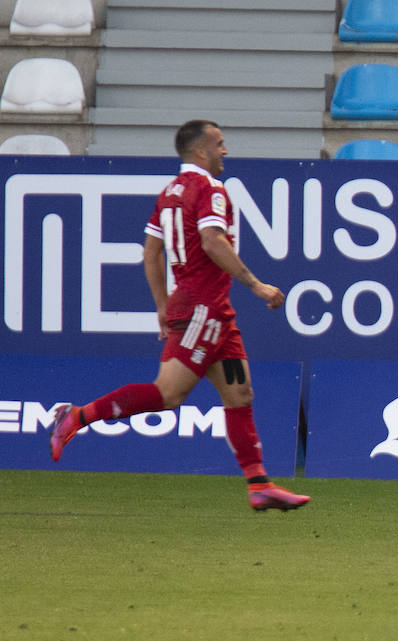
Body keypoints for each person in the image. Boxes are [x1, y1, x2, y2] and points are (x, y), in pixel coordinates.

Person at [48, 120, 310, 512]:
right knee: (168, 394)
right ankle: (77, 416)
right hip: (203, 307)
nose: (226, 151)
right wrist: (255, 285)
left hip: (211, 311)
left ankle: (259, 485)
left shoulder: (169, 193)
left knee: (239, 394)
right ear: (201, 152)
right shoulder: (210, 188)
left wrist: (161, 305)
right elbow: (212, 240)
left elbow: (151, 252)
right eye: (220, 144)